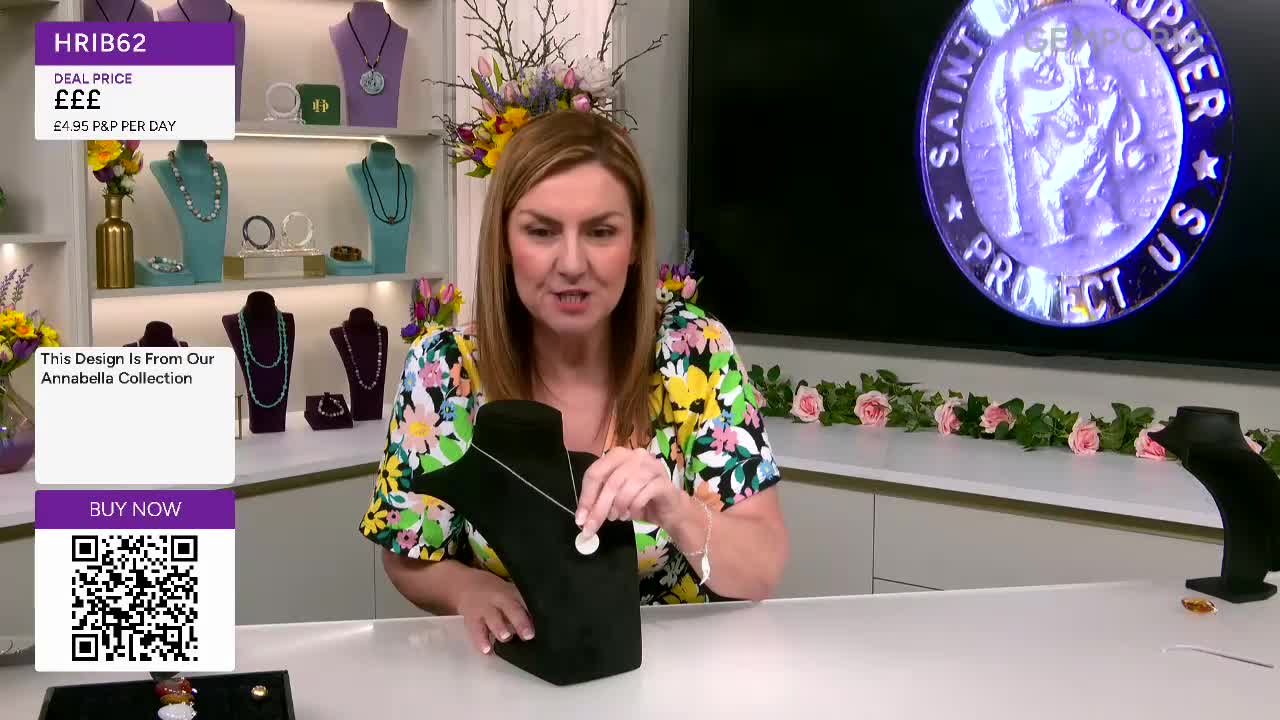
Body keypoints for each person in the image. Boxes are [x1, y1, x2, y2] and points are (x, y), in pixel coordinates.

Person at [357, 110, 788, 655]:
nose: (572, 263)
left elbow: (761, 569)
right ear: (504, 241)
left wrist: (675, 509)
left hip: (672, 672)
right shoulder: (445, 367)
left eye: (601, 232)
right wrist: (467, 589)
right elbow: (407, 553)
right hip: (512, 672)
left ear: (635, 242)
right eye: (541, 231)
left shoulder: (694, 350)